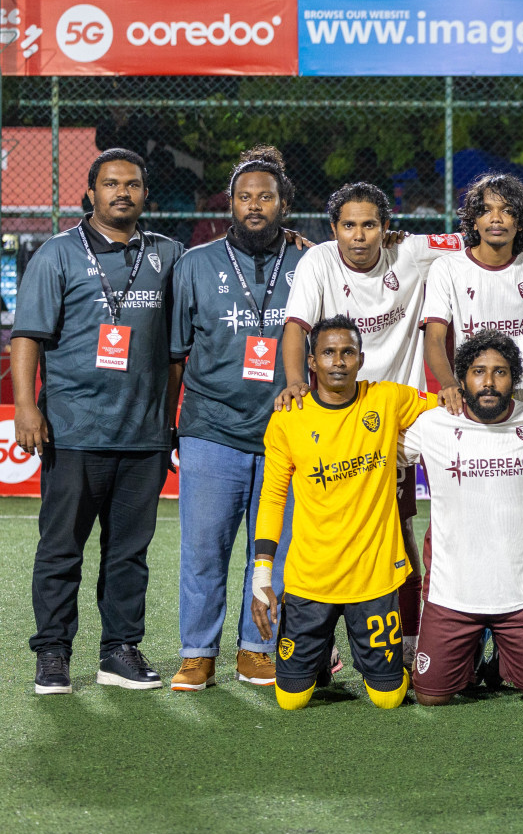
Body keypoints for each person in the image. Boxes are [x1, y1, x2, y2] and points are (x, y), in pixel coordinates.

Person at [280, 181, 523, 667]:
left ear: (387, 228)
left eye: (370, 224)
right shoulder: (318, 262)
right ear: (334, 230)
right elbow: (296, 328)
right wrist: (293, 383)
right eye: (349, 225)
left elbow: (480, 236)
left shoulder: (412, 252)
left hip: (394, 422)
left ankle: (410, 639)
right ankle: (314, 647)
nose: (360, 235)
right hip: (332, 419)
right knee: (317, 530)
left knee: (401, 532)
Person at [15, 148, 184, 695]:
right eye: (110, 184)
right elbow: (28, 338)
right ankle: (53, 654)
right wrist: (25, 406)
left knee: (129, 553)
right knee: (61, 547)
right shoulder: (57, 254)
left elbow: (220, 265)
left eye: (132, 185)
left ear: (145, 195)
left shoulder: (169, 255)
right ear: (90, 193)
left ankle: (119, 651)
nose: (121, 193)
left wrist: (296, 246)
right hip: (73, 431)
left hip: (144, 435)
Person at [167, 146, 308, 692]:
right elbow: (176, 354)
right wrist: (170, 426)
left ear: (284, 204)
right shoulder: (195, 264)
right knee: (204, 549)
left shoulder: (310, 262)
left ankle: (257, 649)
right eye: (245, 197)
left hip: (286, 433)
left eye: (266, 197)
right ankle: (197, 651)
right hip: (211, 427)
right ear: (229, 202)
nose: (255, 206)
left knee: (270, 553)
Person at [251, 315, 438, 710]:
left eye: (348, 352)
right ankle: (320, 654)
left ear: (361, 358)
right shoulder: (288, 417)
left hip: (372, 577)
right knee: (290, 700)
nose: (339, 361)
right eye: (329, 353)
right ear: (312, 363)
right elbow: (271, 497)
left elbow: (454, 405)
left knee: (388, 699)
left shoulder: (386, 399)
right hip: (310, 579)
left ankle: (357, 655)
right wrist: (262, 574)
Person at [401, 329, 523, 706]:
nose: (489, 382)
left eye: (501, 372)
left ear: (515, 380)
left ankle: (500, 664)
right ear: (461, 380)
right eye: (478, 371)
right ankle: (472, 658)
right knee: (430, 697)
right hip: (452, 595)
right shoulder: (433, 425)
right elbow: (383, 449)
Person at [422, 173, 523, 412]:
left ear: (520, 221)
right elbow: (433, 338)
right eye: (485, 210)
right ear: (473, 221)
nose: (496, 219)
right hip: (472, 404)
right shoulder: (447, 268)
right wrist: (448, 384)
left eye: (507, 211)